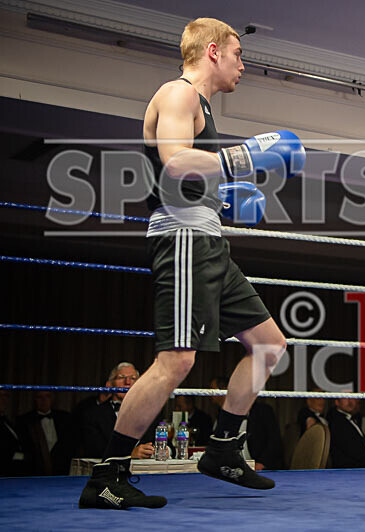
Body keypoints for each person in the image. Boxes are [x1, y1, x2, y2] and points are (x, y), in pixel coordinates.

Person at [79, 16, 304, 509]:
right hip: (182, 240)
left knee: (269, 343)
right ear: (213, 52)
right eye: (238, 53)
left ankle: (223, 446)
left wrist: (224, 198)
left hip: (208, 241)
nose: (244, 64)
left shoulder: (200, 106)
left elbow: (187, 174)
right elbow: (176, 159)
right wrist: (244, 158)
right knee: (176, 359)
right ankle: (107, 475)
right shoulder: (178, 94)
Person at [80, 363, 157, 460]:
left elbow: (168, 445)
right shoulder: (93, 414)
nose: (127, 382)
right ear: (110, 384)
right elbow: (94, 450)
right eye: (121, 377)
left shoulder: (151, 413)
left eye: (133, 378)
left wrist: (164, 450)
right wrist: (128, 454)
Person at [209, 377, 285, 471]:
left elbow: (275, 443)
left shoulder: (263, 411)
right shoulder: (223, 415)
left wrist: (261, 464)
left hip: (260, 469)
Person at [18, 390, 72, 475]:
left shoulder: (65, 418)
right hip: (34, 471)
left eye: (47, 396)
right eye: (40, 397)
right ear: (35, 399)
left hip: (61, 470)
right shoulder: (24, 420)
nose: (44, 400)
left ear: (53, 399)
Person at [0, 390, 27, 476]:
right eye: (0, 395)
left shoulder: (7, 421)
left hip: (14, 473)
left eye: (5, 396)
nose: (3, 399)